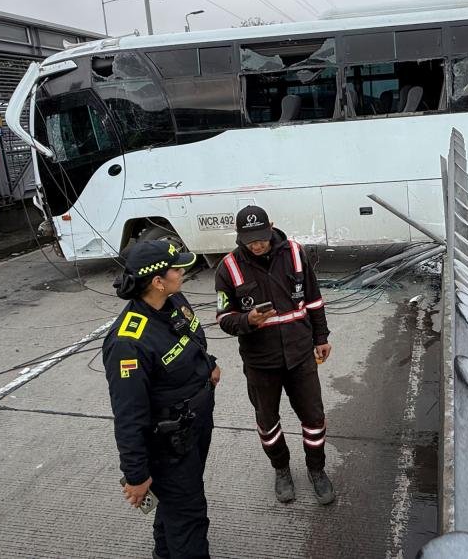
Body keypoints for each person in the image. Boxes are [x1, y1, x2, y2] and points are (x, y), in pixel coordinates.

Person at [103, 240, 220, 559]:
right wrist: (137, 475)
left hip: (196, 424)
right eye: (178, 268)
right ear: (157, 280)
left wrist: (207, 364)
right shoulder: (128, 343)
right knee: (190, 515)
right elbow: (129, 417)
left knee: (172, 505)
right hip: (169, 444)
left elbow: (191, 337)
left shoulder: (174, 299)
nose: (184, 271)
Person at [214, 205, 336, 506]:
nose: (257, 245)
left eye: (262, 237)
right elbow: (223, 316)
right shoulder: (228, 268)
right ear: (240, 237)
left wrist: (321, 337)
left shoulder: (295, 253)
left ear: (271, 226)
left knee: (314, 418)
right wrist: (246, 321)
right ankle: (281, 470)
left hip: (300, 356)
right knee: (267, 423)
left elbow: (314, 299)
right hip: (260, 363)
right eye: (250, 240)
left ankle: (316, 470)